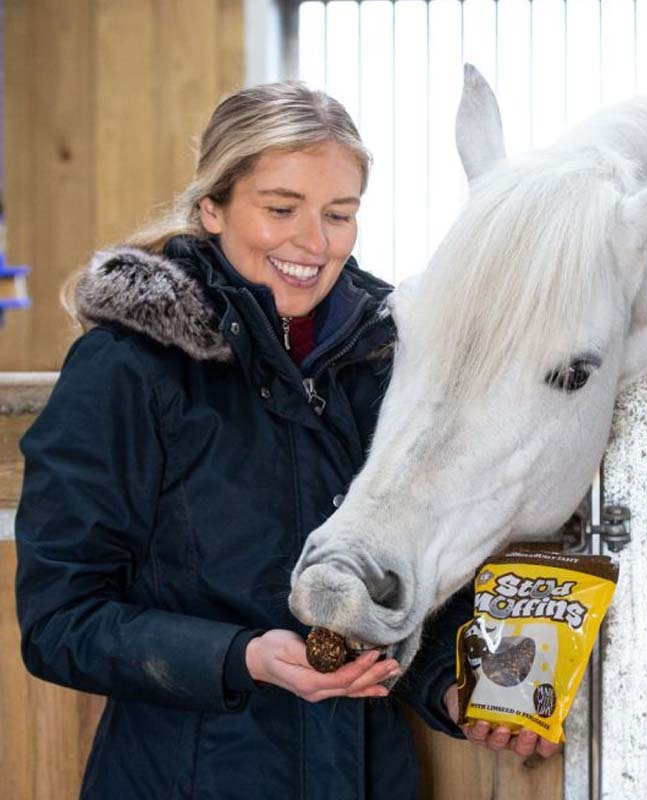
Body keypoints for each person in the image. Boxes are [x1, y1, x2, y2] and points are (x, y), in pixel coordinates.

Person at [15, 82, 556, 800]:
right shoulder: (128, 368)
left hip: (369, 775)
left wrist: (460, 687)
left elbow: (422, 576)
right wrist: (244, 658)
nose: (314, 241)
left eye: (339, 214)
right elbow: (61, 620)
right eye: (280, 209)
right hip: (185, 779)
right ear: (213, 206)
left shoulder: (389, 361)